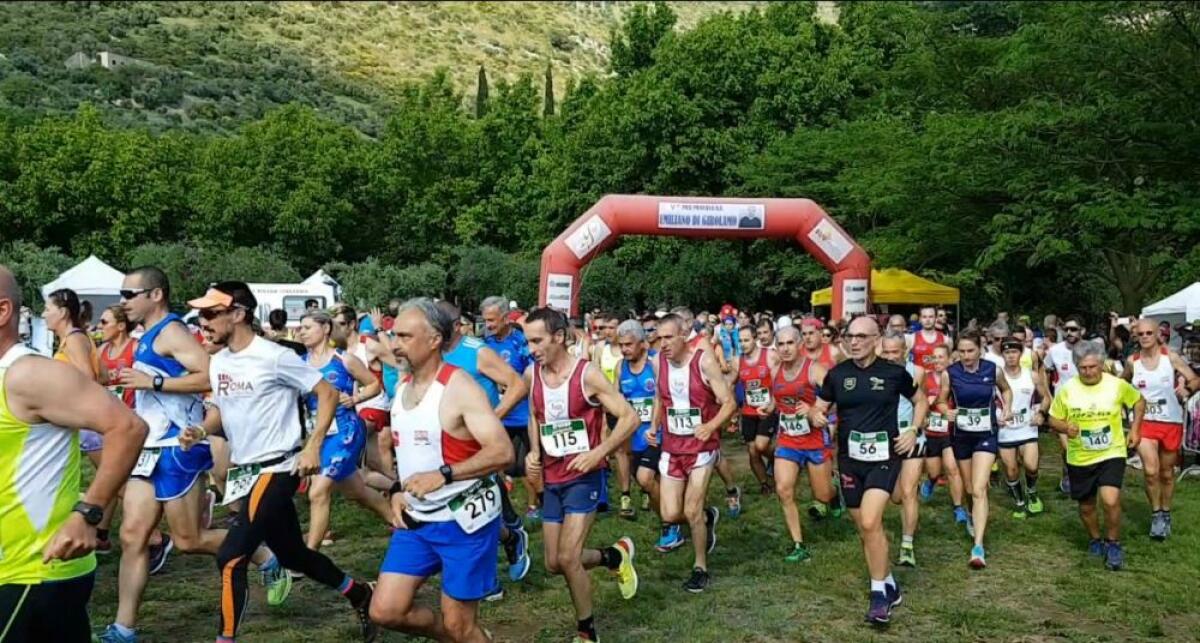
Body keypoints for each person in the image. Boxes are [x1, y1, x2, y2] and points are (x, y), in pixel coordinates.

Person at [101, 268, 290, 643]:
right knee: (132, 535)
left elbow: (209, 377)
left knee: (188, 540)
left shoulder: (171, 331)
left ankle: (263, 554)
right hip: (150, 446)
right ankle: (123, 630)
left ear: (156, 295)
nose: (123, 301)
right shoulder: (146, 335)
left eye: (129, 293)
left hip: (178, 446)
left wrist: (153, 382)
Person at [181, 282, 377, 642]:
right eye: (201, 315)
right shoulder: (220, 361)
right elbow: (222, 412)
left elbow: (327, 392)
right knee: (292, 555)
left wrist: (313, 446)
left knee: (231, 557)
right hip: (246, 471)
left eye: (211, 314)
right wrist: (200, 429)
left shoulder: (274, 356)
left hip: (278, 467)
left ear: (238, 315)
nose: (202, 322)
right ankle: (359, 593)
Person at [0, 265, 149, 642]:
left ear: (2, 312)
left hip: (33, 573)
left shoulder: (28, 374)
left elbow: (128, 427)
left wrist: (89, 513)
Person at [367, 298, 514, 642]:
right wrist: (399, 490)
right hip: (418, 520)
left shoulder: (459, 387)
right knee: (385, 610)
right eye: (393, 335)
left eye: (404, 336)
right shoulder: (402, 386)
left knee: (459, 624)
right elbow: (413, 452)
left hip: (464, 522)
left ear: (434, 340)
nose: (395, 344)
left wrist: (445, 474)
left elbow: (502, 451)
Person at [523, 308, 639, 642]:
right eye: (528, 341)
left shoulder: (586, 374)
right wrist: (534, 452)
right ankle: (612, 556)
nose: (531, 349)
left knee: (569, 557)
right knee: (552, 562)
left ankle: (587, 631)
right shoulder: (533, 375)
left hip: (585, 476)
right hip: (553, 475)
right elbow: (535, 415)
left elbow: (629, 417)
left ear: (559, 337)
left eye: (537, 340)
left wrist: (598, 453)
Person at [808, 317, 925, 625]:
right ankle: (889, 582)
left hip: (884, 458)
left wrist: (913, 428)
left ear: (875, 340)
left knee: (872, 520)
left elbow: (921, 400)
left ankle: (877, 596)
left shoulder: (894, 373)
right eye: (850, 336)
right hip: (849, 460)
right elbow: (819, 406)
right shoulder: (837, 374)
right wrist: (815, 414)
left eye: (862, 336)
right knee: (865, 529)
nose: (854, 341)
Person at [646, 313, 736, 593]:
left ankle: (700, 567)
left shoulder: (703, 361)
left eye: (669, 337)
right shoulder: (658, 362)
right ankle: (708, 518)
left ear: (684, 336)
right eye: (659, 338)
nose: (663, 344)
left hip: (700, 447)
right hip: (672, 446)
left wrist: (710, 426)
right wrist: (653, 425)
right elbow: (661, 397)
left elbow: (729, 402)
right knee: (670, 513)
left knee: (690, 509)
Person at [297, 310, 396, 552]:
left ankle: (308, 556)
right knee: (358, 490)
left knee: (318, 491)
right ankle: (401, 523)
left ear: (325, 329)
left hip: (346, 430)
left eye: (308, 327)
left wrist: (356, 398)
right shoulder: (299, 363)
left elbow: (374, 385)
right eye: (301, 328)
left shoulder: (344, 360)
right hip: (319, 432)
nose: (302, 332)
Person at [1049, 340, 1145, 570]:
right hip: (1080, 456)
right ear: (1076, 367)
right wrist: (1064, 428)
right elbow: (1053, 418)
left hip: (1111, 451)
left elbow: (1139, 401)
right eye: (1083, 368)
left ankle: (1113, 543)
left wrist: (1135, 428)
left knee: (1111, 500)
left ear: (1101, 364)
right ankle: (1094, 539)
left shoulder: (1116, 385)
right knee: (1087, 506)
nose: (1089, 372)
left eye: (1093, 367)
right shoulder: (1068, 389)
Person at [940, 332, 1012, 569]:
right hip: (961, 436)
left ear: (980, 350)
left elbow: (1006, 390)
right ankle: (972, 515)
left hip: (986, 434)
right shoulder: (950, 373)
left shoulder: (993, 370)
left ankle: (978, 547)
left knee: (980, 488)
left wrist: (1007, 409)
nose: (966, 356)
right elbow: (941, 401)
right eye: (962, 351)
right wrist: (945, 411)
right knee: (970, 488)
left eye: (971, 351)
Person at [1123, 318, 1200, 540]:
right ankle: (1156, 514)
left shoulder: (1171, 357)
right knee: (1150, 471)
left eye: (1149, 333)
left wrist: (1187, 389)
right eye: (1140, 334)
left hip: (1170, 421)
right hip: (1144, 422)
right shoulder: (1132, 362)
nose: (1145, 337)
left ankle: (1165, 512)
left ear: (1158, 335)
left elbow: (1195, 379)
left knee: (1166, 474)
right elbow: (1120, 384)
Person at [770, 326, 838, 563]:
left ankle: (834, 493)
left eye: (790, 343)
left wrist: (816, 410)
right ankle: (798, 544)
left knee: (823, 495)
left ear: (799, 344)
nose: (786, 349)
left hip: (815, 440)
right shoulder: (775, 370)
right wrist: (767, 408)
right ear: (776, 347)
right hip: (788, 439)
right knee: (783, 489)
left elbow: (835, 394)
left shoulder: (814, 369)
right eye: (781, 344)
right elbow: (775, 399)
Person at [669, 306, 742, 518]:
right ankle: (690, 504)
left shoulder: (701, 345)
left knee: (711, 453)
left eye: (678, 322)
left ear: (688, 324)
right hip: (678, 409)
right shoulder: (671, 345)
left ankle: (729, 489)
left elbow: (715, 379)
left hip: (703, 408)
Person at [481, 296, 541, 522]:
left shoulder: (520, 343)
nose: (488, 325)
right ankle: (500, 507)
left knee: (529, 465)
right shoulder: (485, 345)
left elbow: (534, 374)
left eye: (492, 320)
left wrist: (516, 386)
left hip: (523, 415)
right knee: (494, 462)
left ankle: (535, 504)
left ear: (506, 318)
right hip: (498, 416)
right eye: (486, 320)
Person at [879, 334, 927, 568]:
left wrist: (914, 431)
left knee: (908, 492)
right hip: (884, 440)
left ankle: (907, 546)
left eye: (894, 352)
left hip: (911, 438)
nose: (889, 357)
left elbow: (922, 402)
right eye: (885, 352)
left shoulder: (916, 372)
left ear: (904, 352)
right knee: (896, 496)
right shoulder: (875, 372)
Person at [614, 321, 665, 531]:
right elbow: (616, 396)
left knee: (645, 478)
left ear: (642, 343)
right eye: (621, 345)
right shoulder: (620, 366)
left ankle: (671, 518)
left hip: (655, 433)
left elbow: (661, 397)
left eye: (629, 344)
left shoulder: (655, 362)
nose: (624, 349)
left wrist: (654, 426)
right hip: (632, 434)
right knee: (648, 481)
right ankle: (668, 516)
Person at [998, 335, 1051, 518]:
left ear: (1021, 353)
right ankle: (1020, 501)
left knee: (1031, 465)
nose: (1011, 356)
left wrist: (1041, 413)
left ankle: (1031, 490)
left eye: (1014, 352)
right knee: (1011, 469)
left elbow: (1045, 398)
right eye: (1007, 352)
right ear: (1002, 354)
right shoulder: (996, 375)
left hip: (1027, 426)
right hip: (1004, 428)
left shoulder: (1032, 375)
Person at [918, 345, 968, 527]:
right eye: (934, 357)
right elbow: (918, 400)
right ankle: (930, 481)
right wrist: (925, 405)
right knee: (934, 471)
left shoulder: (955, 380)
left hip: (950, 431)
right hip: (932, 432)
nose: (938, 361)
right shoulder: (925, 378)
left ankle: (958, 508)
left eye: (941, 357)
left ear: (948, 359)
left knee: (953, 470)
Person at [733, 325, 778, 496]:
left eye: (746, 340)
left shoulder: (770, 356)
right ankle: (765, 483)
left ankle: (780, 460)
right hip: (748, 411)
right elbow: (730, 381)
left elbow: (780, 383)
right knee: (752, 451)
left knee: (761, 445)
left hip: (767, 409)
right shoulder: (738, 360)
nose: (743, 344)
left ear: (755, 339)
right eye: (740, 341)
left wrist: (773, 404)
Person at [1044, 315, 1086, 494]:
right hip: (1062, 405)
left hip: (1086, 404)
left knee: (1081, 444)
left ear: (1082, 331)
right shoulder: (1055, 351)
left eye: (1074, 329)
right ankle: (1070, 475)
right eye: (1067, 329)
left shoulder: (1090, 350)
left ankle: (1079, 474)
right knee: (1067, 445)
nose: (1069, 333)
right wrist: (1047, 395)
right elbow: (1044, 371)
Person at [908, 307, 951, 371]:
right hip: (918, 379)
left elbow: (948, 364)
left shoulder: (946, 340)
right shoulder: (911, 338)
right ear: (920, 319)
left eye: (931, 317)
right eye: (924, 317)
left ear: (936, 318)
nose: (927, 320)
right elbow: (905, 363)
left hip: (938, 379)